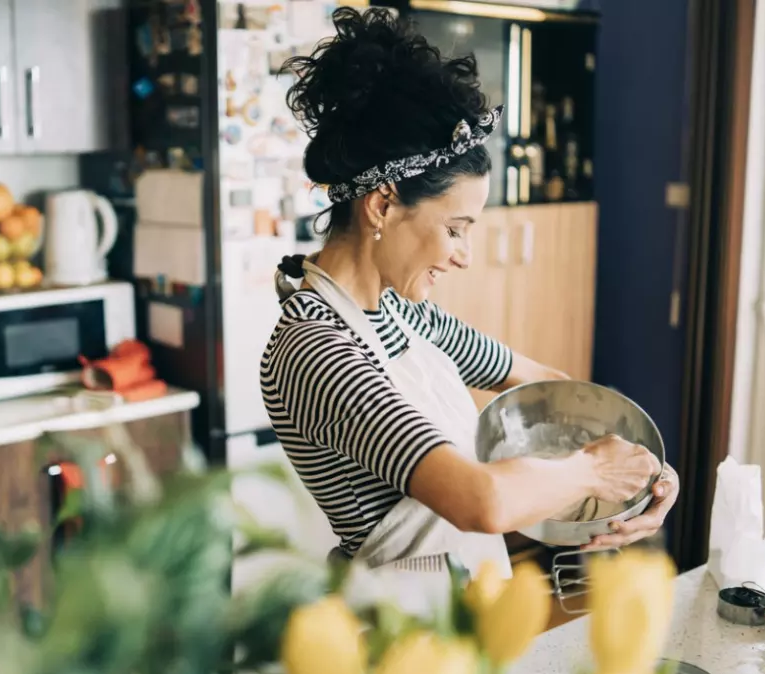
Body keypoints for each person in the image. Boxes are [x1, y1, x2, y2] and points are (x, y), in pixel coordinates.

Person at [260, 8, 679, 591]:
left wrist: (645, 474)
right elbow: (480, 501)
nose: (464, 255)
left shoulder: (404, 313)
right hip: (394, 636)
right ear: (381, 207)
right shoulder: (315, 349)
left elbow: (552, 393)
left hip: (467, 612)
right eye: (455, 228)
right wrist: (591, 469)